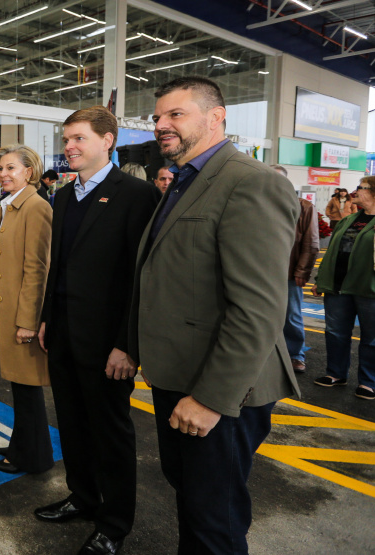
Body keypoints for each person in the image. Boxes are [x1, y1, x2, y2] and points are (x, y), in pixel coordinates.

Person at [129, 76, 300, 553]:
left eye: (175, 115)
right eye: (158, 117)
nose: (161, 125)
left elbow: (259, 307)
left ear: (216, 117)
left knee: (214, 521)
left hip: (220, 389)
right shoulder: (185, 181)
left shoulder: (252, 182)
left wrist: (210, 398)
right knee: (192, 498)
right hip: (177, 374)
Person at [36, 107, 159, 555]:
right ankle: (83, 498)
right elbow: (59, 268)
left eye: (79, 138)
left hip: (108, 343)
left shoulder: (136, 195)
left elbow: (140, 276)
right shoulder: (65, 196)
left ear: (107, 140)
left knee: (110, 434)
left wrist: (127, 345)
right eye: (67, 139)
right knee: (71, 424)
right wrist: (48, 317)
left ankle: (114, 524)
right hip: (64, 334)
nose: (69, 146)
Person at [0, 145, 53, 475]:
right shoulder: (10, 207)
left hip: (22, 317)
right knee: (21, 389)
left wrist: (28, 321)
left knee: (27, 391)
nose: (3, 175)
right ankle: (23, 447)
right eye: (1, 169)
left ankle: (32, 457)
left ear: (29, 172)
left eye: (11, 168)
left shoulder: (35, 208)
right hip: (9, 312)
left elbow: (38, 268)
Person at [311, 176, 375, 401]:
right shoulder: (350, 219)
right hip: (338, 286)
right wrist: (321, 279)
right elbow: (333, 252)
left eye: (361, 187)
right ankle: (336, 374)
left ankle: (368, 382)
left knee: (371, 338)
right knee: (335, 332)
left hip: (369, 288)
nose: (355, 191)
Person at [274, 165, 319, 374]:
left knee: (291, 316)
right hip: (262, 272)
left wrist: (302, 272)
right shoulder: (259, 203)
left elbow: (311, 244)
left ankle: (295, 355)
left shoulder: (304, 207)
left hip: (289, 274)